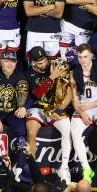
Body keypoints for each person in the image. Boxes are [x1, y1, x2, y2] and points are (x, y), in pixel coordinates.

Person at [25, 48, 73, 183]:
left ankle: (64, 169)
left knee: (67, 131)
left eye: (45, 60)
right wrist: (52, 77)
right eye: (40, 62)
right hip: (38, 107)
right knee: (31, 132)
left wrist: (59, 110)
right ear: (33, 63)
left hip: (55, 108)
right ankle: (31, 169)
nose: (44, 64)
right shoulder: (29, 74)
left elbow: (69, 93)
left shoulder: (55, 65)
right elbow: (38, 94)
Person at [69, 44, 97, 186]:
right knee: (74, 133)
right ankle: (87, 169)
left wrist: (90, 105)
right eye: (80, 57)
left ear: (92, 55)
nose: (83, 60)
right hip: (82, 109)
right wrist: (81, 112)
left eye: (85, 56)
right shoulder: (73, 73)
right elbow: (74, 99)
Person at [0, 50, 29, 172]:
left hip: (12, 113)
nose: (10, 64)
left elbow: (29, 96)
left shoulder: (20, 75)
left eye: (13, 61)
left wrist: (24, 107)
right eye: (6, 61)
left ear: (16, 63)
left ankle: (19, 167)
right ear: (1, 61)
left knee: (21, 132)